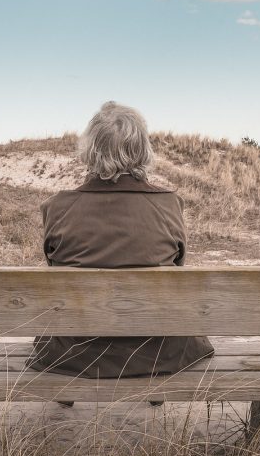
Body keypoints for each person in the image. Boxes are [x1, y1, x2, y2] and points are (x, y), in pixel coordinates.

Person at [26, 101, 215, 380]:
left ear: (90, 150)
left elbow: (55, 266)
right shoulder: (169, 206)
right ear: (142, 150)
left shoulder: (58, 207)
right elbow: (178, 266)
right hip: (159, 352)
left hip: (76, 355)